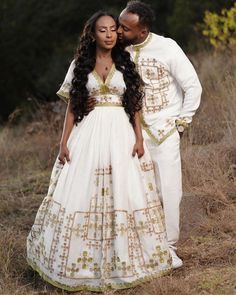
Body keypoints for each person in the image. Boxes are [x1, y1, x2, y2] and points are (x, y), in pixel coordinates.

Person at [26, 11, 172, 292]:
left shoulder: (125, 62)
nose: (109, 34)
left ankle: (125, 260)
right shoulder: (80, 65)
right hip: (89, 134)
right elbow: (71, 106)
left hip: (121, 132)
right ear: (93, 34)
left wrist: (140, 138)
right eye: (102, 30)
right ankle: (82, 263)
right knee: (85, 189)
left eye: (113, 29)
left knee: (125, 189)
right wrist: (63, 141)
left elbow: (134, 105)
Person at [117, 1, 202, 268]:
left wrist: (181, 123)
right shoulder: (118, 51)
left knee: (170, 191)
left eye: (125, 28)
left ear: (142, 31)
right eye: (119, 25)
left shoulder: (167, 47)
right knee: (137, 193)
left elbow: (192, 86)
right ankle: (142, 248)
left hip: (165, 132)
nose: (119, 31)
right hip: (131, 134)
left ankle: (169, 248)